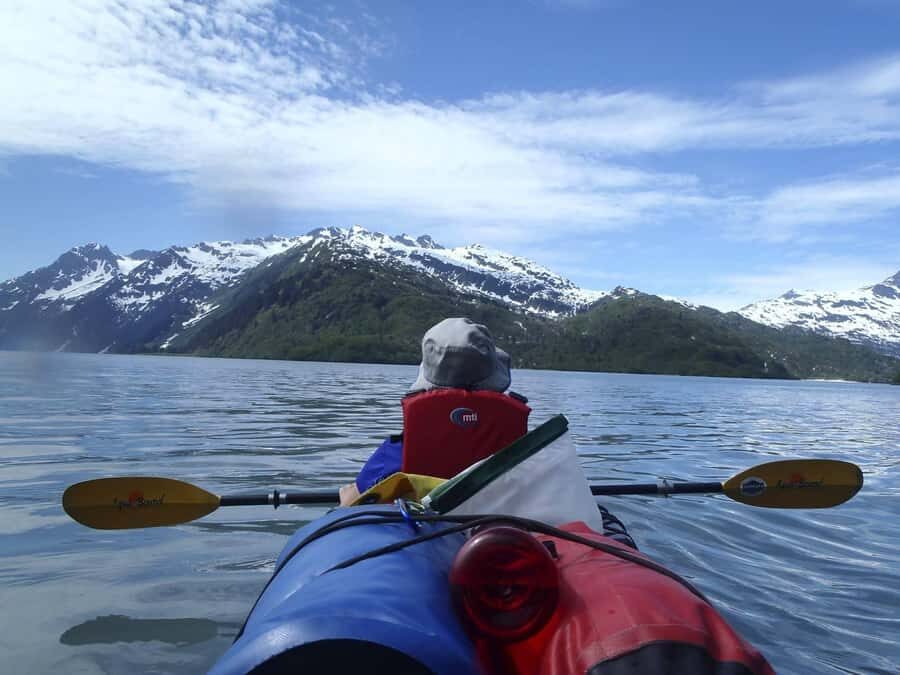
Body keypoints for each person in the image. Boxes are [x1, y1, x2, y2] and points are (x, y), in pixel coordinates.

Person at [339, 317, 527, 505]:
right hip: (501, 527)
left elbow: (357, 496)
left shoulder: (400, 452)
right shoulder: (525, 447)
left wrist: (346, 501)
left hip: (426, 527)